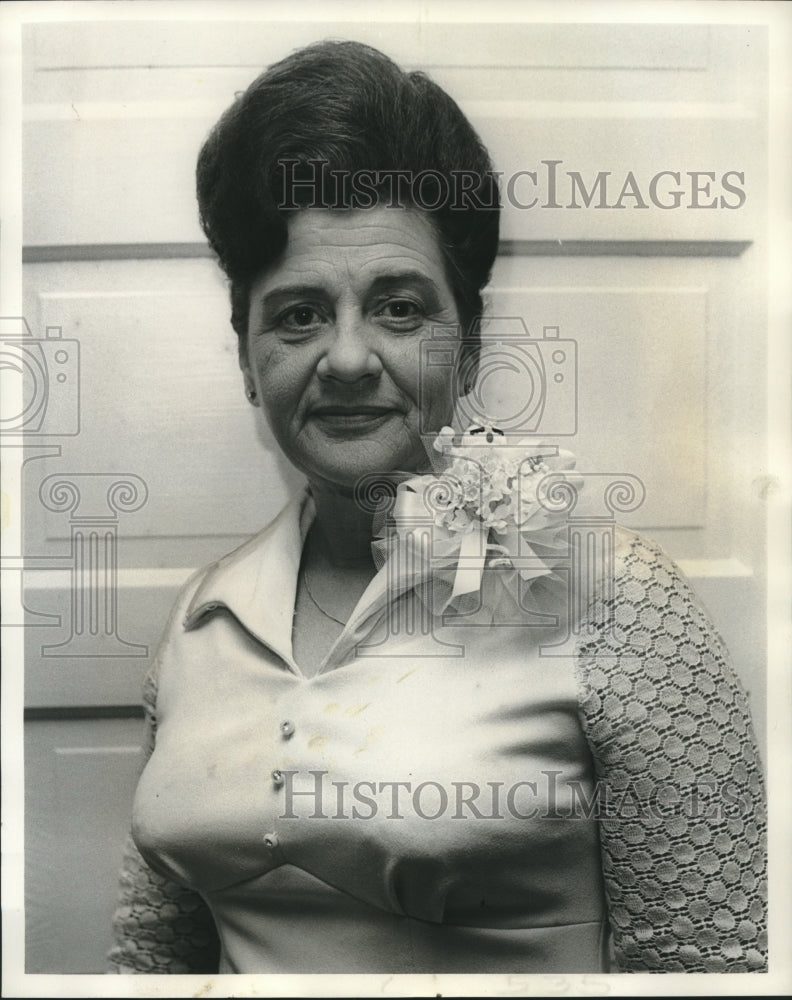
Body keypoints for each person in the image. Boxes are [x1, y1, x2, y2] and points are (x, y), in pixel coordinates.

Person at [108, 40, 767, 975]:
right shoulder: (200, 618)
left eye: (400, 308)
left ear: (468, 342)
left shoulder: (616, 599)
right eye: (297, 313)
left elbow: (715, 964)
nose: (344, 358)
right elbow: (149, 959)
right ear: (248, 358)